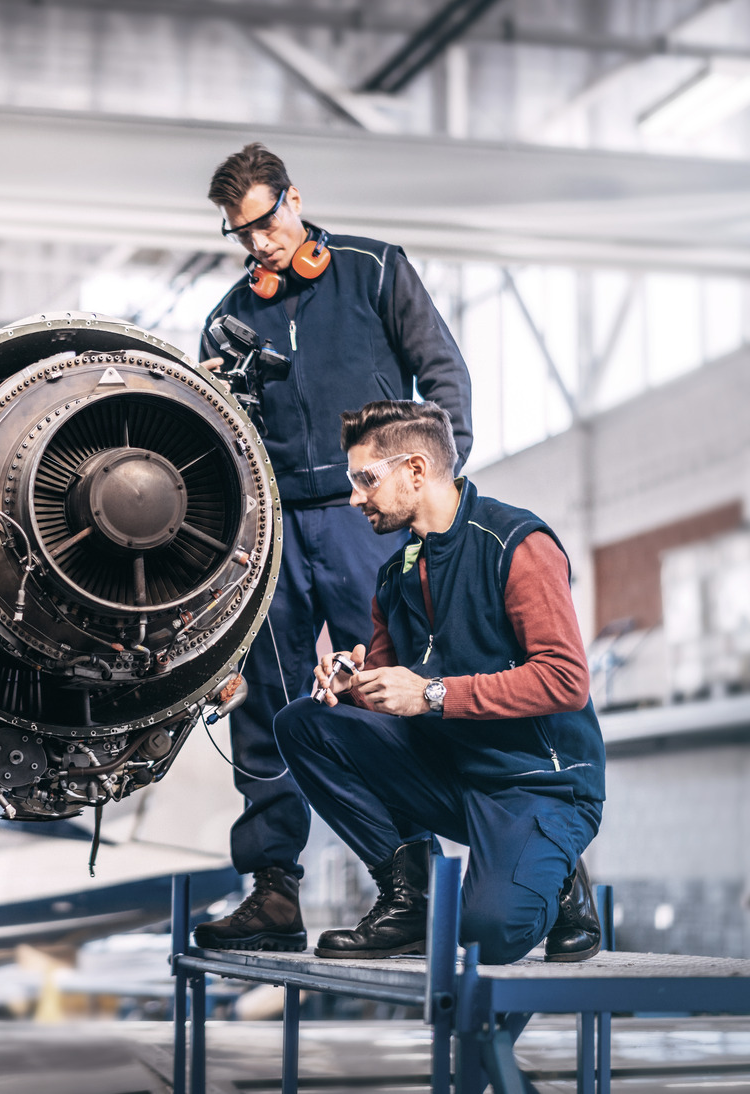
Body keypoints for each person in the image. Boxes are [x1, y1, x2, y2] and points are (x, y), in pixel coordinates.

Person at [193, 144, 473, 951]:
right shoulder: (226, 318)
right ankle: (274, 891)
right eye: (239, 233)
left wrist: (435, 492)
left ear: (293, 199)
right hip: (274, 529)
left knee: (393, 686)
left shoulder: (375, 271)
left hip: (369, 520)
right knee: (266, 706)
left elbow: (442, 376)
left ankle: (415, 880)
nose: (259, 244)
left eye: (265, 221)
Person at [275, 400, 604, 964]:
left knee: (487, 936)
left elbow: (566, 679)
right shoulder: (395, 574)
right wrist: (352, 682)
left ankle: (562, 878)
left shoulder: (517, 545)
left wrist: (429, 694)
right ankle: (409, 902)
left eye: (365, 479)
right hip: (454, 770)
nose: (354, 497)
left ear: (417, 470)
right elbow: (387, 689)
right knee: (305, 725)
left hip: (536, 785)